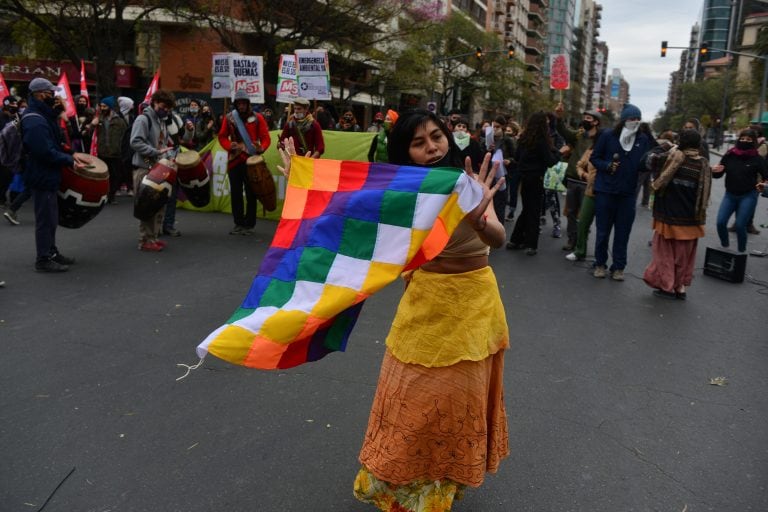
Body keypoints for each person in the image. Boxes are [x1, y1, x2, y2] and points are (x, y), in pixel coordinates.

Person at [277, 108, 508, 512]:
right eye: (419, 143)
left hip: (473, 309)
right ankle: (400, 488)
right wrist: (303, 180)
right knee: (413, 401)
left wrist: (478, 218)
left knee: (453, 404)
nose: (432, 147)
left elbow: (499, 238)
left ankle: (439, 491)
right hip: (422, 306)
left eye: (436, 136)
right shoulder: (402, 194)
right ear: (406, 152)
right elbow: (345, 214)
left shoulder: (468, 183)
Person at [22, 77, 87, 271]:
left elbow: (56, 143)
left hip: (47, 174)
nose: (55, 97)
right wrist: (69, 161)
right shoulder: (34, 120)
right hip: (41, 175)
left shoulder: (43, 116)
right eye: (51, 94)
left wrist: (72, 154)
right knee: (45, 220)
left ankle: (51, 251)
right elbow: (44, 151)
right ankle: (43, 259)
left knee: (51, 218)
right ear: (41, 95)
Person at [643, 129, 712, 300]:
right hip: (692, 219)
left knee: (664, 253)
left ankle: (666, 286)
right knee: (684, 257)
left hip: (668, 215)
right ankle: (680, 287)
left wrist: (666, 145)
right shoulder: (703, 163)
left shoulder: (671, 157)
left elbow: (648, 160)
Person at [589, 103, 652, 280]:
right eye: (632, 119)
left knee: (623, 233)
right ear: (624, 120)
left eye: (638, 119)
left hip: (627, 194)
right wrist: (607, 166)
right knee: (602, 232)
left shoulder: (642, 139)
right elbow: (595, 158)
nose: (635, 122)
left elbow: (646, 162)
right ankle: (600, 263)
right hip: (606, 191)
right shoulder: (608, 136)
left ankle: (618, 267)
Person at [506, 111, 560, 255]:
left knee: (527, 209)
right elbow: (549, 161)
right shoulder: (542, 140)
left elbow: (517, 157)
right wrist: (558, 154)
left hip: (524, 178)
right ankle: (531, 244)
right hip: (536, 178)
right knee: (534, 211)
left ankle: (516, 239)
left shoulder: (524, 138)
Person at [218, 90, 271, 235]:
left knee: (251, 193)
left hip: (251, 161)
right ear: (235, 104)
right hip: (234, 161)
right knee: (235, 193)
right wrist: (229, 146)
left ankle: (249, 224)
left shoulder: (258, 118)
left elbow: (266, 139)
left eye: (244, 103)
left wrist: (262, 148)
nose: (241, 106)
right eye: (239, 103)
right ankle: (238, 223)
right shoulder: (229, 118)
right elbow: (222, 136)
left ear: (248, 104)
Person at [130, 89, 177, 252]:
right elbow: (135, 142)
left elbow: (162, 143)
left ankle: (153, 237)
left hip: (157, 170)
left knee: (158, 206)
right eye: (164, 106)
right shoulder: (143, 119)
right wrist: (156, 152)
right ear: (155, 102)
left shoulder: (161, 121)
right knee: (146, 207)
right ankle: (144, 240)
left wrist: (167, 153)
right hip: (144, 169)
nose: (166, 110)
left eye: (169, 109)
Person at [554, 105, 602, 251]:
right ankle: (571, 239)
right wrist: (559, 117)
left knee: (584, 215)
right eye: (584, 118)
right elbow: (564, 132)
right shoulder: (579, 135)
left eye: (588, 118)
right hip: (573, 179)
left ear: (595, 122)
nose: (585, 120)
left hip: (588, 181)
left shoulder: (601, 139)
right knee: (571, 212)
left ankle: (582, 241)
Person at [712, 128, 768, 253]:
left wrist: (763, 184)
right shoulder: (729, 154)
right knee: (720, 222)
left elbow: (766, 176)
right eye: (742, 139)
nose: (744, 141)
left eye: (748, 140)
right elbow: (718, 173)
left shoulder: (757, 158)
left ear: (753, 141)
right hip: (730, 195)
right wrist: (715, 171)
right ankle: (725, 246)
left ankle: (741, 252)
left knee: (740, 225)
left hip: (748, 195)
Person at [92, 96, 128, 204]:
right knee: (103, 177)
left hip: (115, 153)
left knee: (116, 176)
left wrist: (122, 149)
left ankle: (111, 195)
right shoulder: (98, 119)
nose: (102, 108)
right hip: (102, 153)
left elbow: (126, 136)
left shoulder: (120, 121)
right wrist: (92, 124)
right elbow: (87, 133)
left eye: (105, 106)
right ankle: (102, 196)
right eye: (101, 106)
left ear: (110, 107)